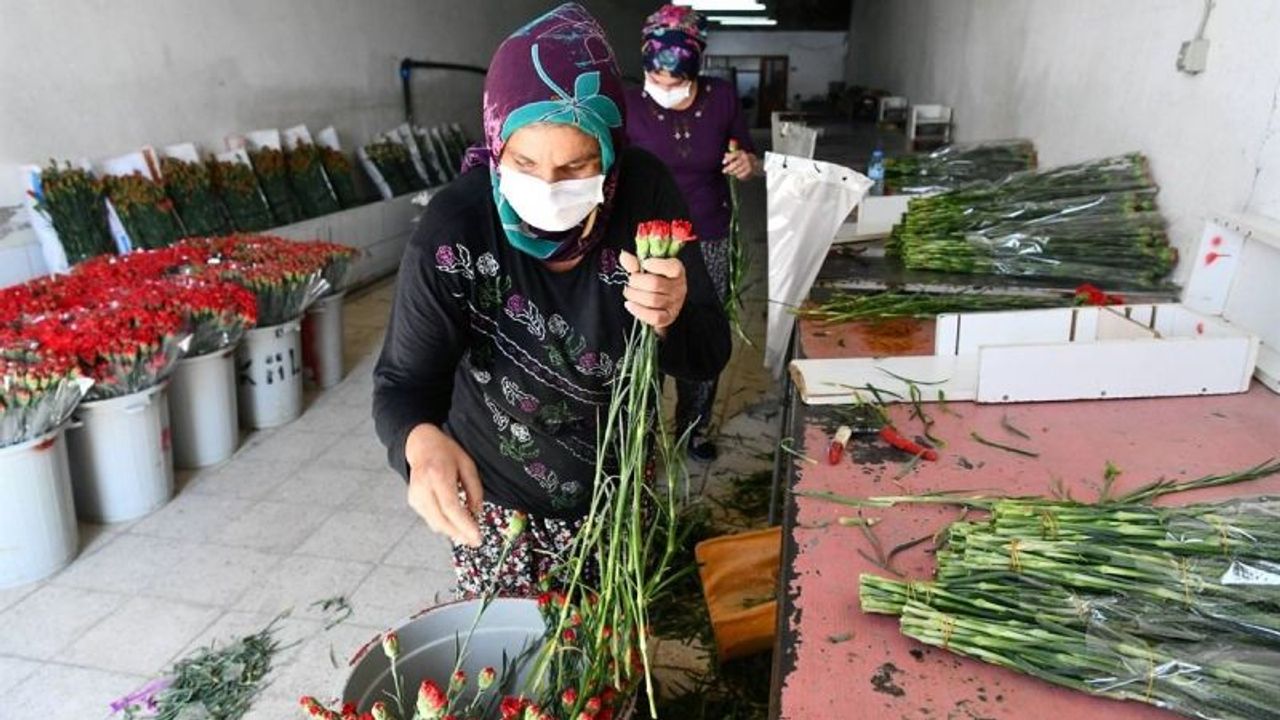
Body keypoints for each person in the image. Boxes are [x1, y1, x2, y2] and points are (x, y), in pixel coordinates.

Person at [372, 3, 730, 597]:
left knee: (609, 663)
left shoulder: (645, 196)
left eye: (576, 166)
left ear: (610, 156)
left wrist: (671, 317)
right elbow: (402, 383)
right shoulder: (456, 229)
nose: (547, 186)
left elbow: (707, 352)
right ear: (495, 144)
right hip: (500, 507)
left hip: (619, 502)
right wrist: (418, 441)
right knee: (516, 672)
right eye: (524, 162)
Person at [624, 4, 763, 462]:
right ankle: (640, 434)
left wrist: (748, 164)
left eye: (676, 82)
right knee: (646, 333)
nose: (664, 90)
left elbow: (748, 152)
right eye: (657, 80)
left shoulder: (721, 98)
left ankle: (694, 429)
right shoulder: (626, 105)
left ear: (696, 68)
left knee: (702, 332)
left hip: (709, 235)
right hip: (646, 239)